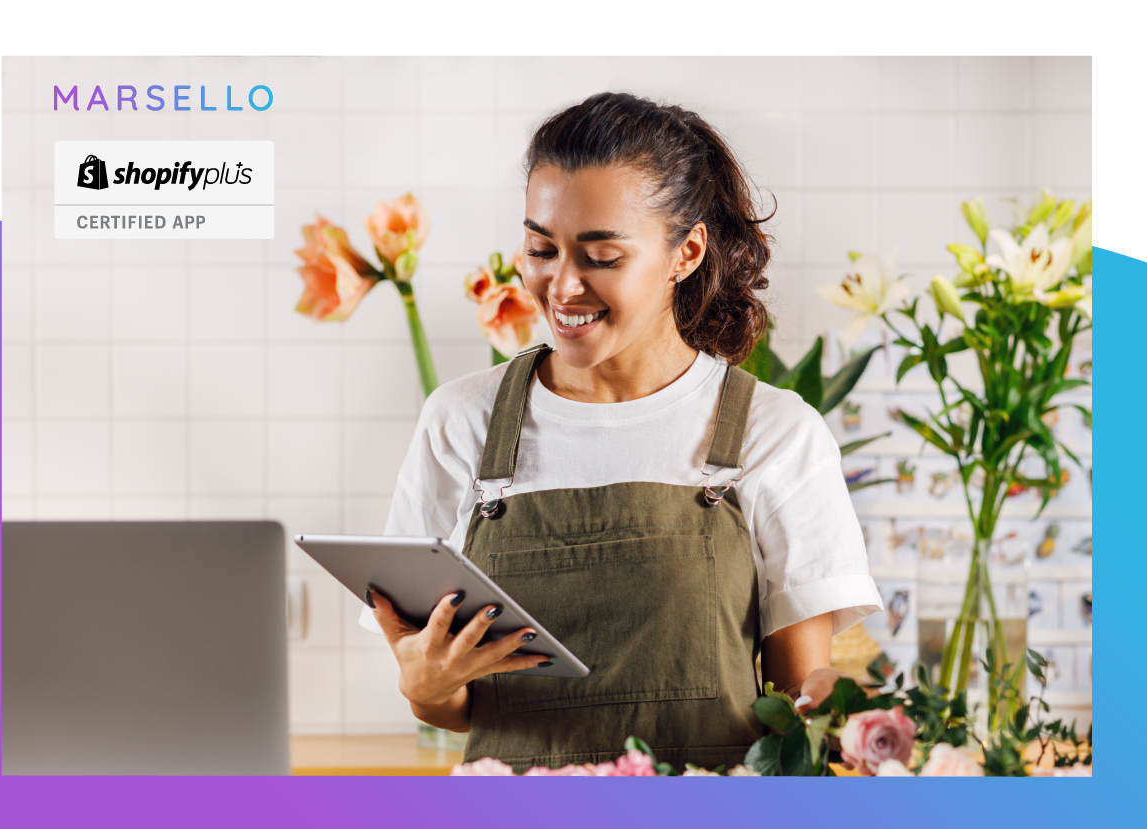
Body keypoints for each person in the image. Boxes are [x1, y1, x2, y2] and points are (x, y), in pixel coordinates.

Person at [359, 91, 882, 772]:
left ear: (685, 252)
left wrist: (865, 724)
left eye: (601, 255)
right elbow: (445, 696)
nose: (561, 286)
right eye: (541, 248)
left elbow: (798, 699)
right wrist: (425, 689)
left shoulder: (773, 432)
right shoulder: (462, 422)